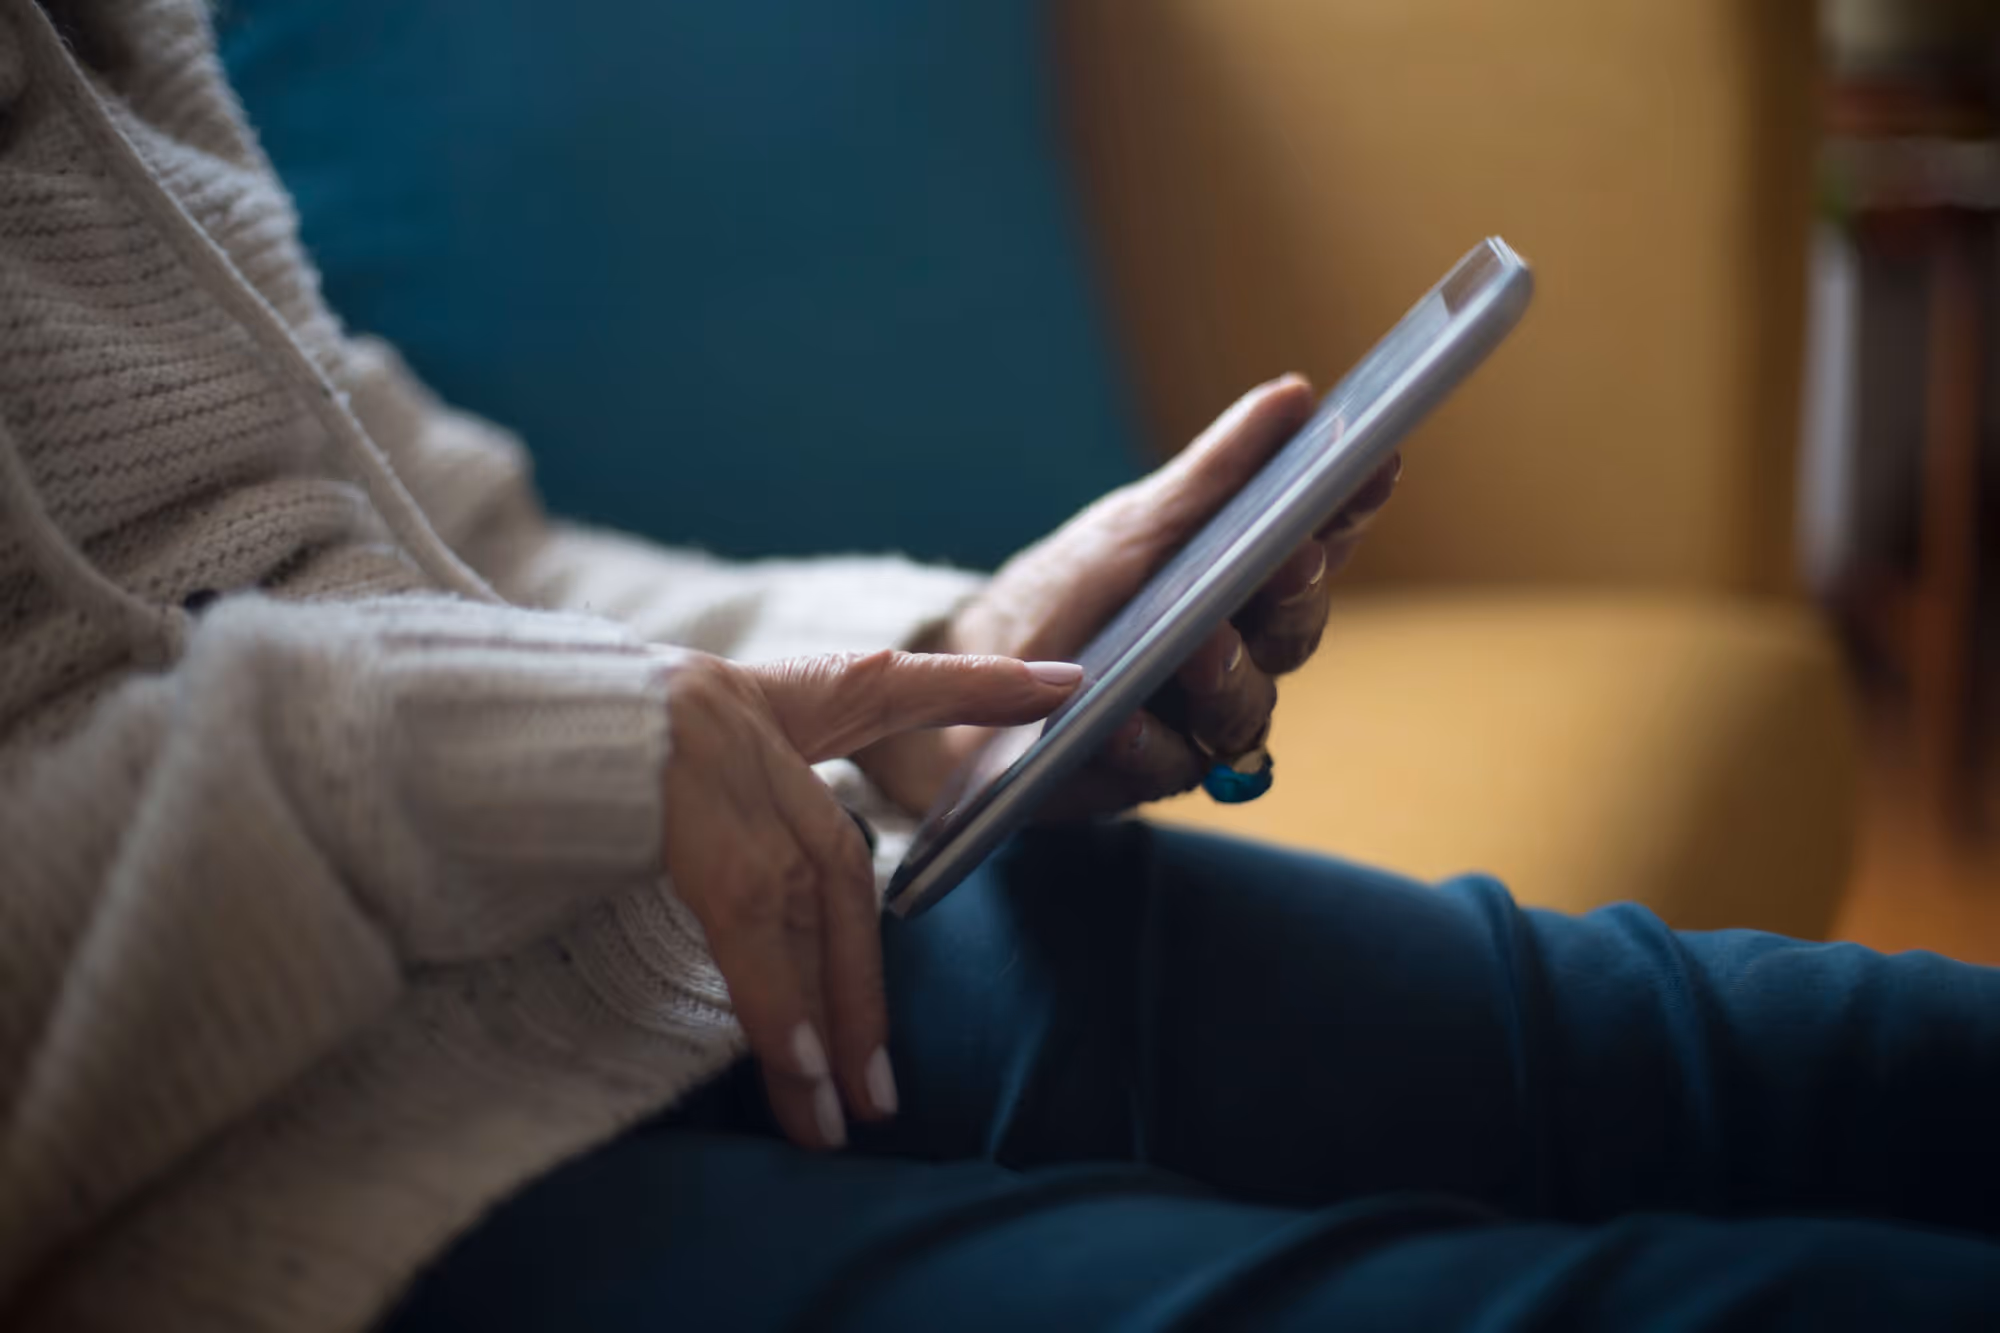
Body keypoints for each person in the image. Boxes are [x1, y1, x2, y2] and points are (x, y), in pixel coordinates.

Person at [1, 2, 1997, 1330]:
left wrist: (935, 663)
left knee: (1763, 1056)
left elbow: (433, 543)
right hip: (267, 1194)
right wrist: (542, 756)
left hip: (628, 940)